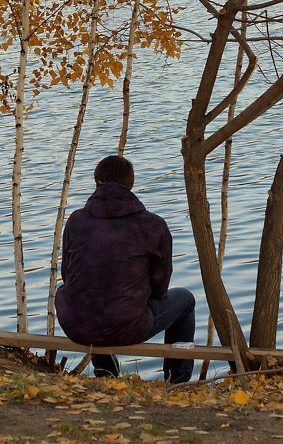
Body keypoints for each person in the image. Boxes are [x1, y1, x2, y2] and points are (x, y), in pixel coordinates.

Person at [55, 155, 195, 383]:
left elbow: (68, 274)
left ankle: (105, 371)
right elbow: (161, 284)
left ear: (97, 181)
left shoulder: (76, 220)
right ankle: (177, 381)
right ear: (130, 185)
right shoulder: (153, 225)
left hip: (76, 323)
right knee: (186, 301)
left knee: (86, 295)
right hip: (127, 326)